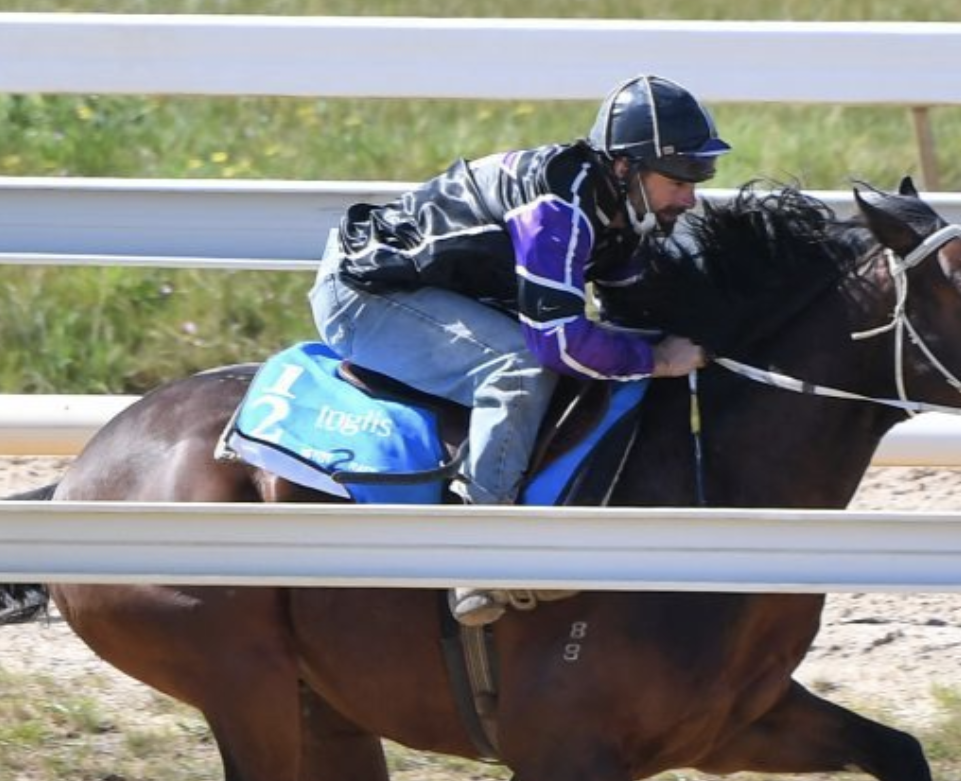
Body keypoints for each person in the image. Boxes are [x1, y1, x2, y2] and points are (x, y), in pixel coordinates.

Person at [309, 74, 731, 626]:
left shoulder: (618, 207)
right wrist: (655, 360)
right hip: (365, 296)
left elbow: (638, 307)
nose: (691, 196)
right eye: (680, 178)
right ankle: (480, 554)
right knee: (518, 364)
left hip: (433, 287)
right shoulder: (558, 208)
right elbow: (556, 342)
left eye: (702, 175)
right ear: (626, 167)